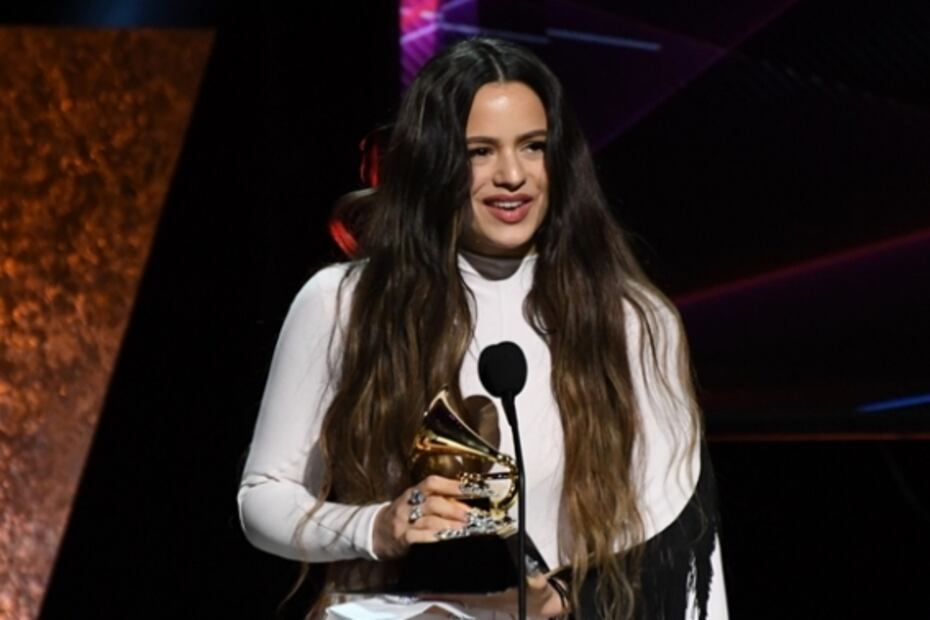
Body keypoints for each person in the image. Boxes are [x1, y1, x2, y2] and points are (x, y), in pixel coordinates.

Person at [238, 37, 728, 619]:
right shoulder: (345, 304)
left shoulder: (632, 319)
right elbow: (261, 497)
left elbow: (682, 550)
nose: (513, 175)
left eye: (533, 147)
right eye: (480, 152)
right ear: (434, 160)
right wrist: (377, 526)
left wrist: (563, 597)